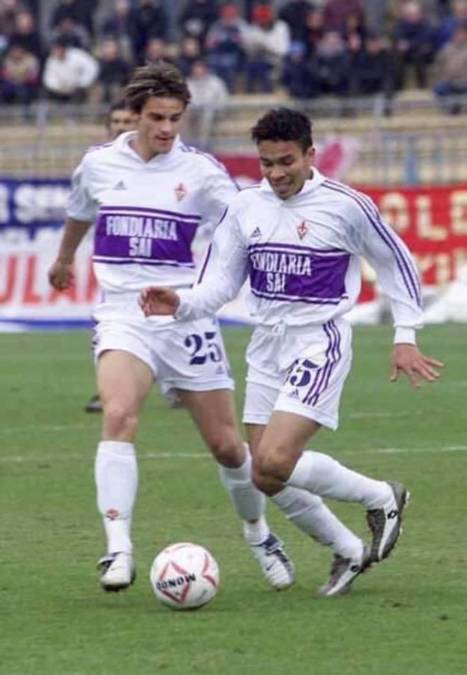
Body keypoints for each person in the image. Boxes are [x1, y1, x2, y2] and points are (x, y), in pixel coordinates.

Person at [140, 107, 444, 596]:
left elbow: (397, 262)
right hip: (267, 345)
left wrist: (405, 333)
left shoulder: (346, 205)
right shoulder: (245, 207)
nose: (277, 173)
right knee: (264, 476)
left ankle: (381, 496)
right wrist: (181, 302)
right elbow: (219, 283)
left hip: (318, 341)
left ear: (310, 155)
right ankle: (347, 549)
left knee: (276, 459)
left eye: (287, 162)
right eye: (267, 163)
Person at [48, 63, 302, 594]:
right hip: (123, 312)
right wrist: (65, 258)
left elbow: (244, 220)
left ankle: (258, 534)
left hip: (183, 315)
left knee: (229, 447)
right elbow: (79, 211)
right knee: (118, 414)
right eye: (157, 118)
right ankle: (118, 547)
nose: (166, 128)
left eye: (175, 119)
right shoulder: (99, 164)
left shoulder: (201, 172)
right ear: (135, 115)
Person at [84, 100, 137, 415]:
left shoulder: (163, 164)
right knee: (106, 326)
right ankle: (108, 392)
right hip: (114, 266)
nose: (120, 127)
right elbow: (81, 209)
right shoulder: (98, 163)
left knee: (173, 321)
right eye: (115, 121)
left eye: (127, 121)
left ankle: (183, 384)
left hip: (158, 265)